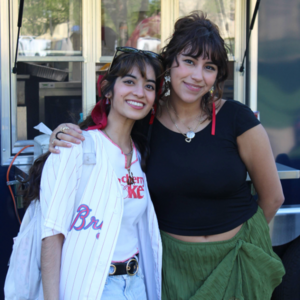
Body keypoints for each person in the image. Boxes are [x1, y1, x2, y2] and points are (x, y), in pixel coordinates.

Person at [49, 12, 285, 300]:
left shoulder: (237, 118)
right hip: (169, 266)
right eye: (188, 61)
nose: (197, 76)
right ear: (169, 63)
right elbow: (105, 133)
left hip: (236, 260)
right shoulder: (144, 118)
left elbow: (273, 197)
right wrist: (64, 131)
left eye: (209, 67)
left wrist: (247, 242)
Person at [25, 48, 164, 300]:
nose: (139, 92)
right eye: (129, 81)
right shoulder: (76, 147)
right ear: (108, 90)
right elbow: (52, 236)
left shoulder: (141, 155)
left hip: (136, 284)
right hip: (92, 287)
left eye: (149, 86)